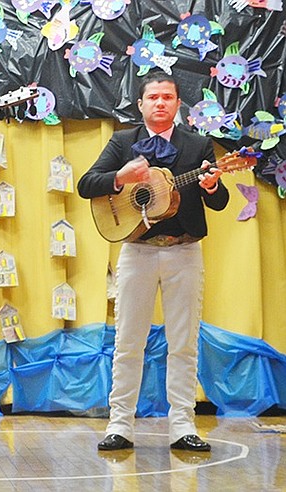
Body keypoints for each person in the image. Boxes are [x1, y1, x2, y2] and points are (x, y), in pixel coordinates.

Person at [79, 71, 226, 453]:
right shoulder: (122, 141)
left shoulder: (197, 145)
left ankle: (183, 425)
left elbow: (219, 201)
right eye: (153, 97)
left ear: (178, 104)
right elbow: (86, 185)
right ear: (141, 104)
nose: (160, 103)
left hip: (184, 251)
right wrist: (119, 177)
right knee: (128, 341)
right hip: (137, 252)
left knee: (183, 342)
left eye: (168, 97)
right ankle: (120, 425)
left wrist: (212, 186)